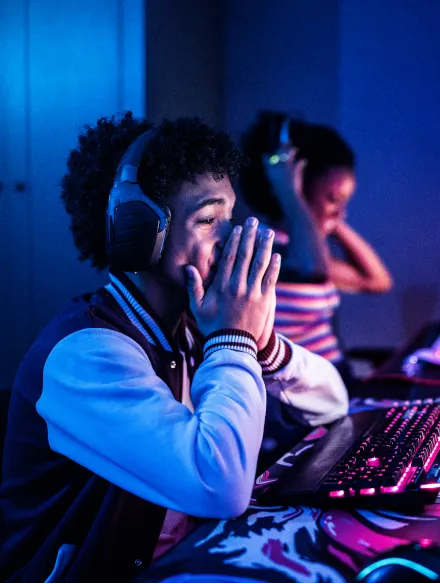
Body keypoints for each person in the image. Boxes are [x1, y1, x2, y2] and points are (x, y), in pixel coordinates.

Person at [0, 113, 348, 584]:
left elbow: (332, 402)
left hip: (183, 559)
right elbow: (219, 486)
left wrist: (264, 345)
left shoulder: (188, 325)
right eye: (208, 219)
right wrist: (233, 340)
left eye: (228, 217)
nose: (228, 238)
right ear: (138, 232)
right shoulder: (85, 357)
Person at [240, 111, 393, 376]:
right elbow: (314, 267)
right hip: (301, 397)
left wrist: (334, 221)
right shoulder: (263, 245)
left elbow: (377, 281)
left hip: (338, 380)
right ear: (298, 183)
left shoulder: (309, 249)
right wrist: (287, 190)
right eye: (333, 199)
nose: (341, 213)